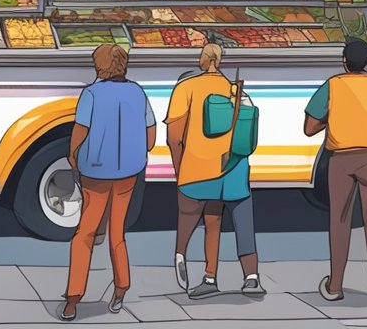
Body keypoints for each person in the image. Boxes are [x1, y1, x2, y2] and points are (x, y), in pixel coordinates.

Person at [61, 44, 155, 322]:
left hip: (96, 174)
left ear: (100, 66)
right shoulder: (138, 92)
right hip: (128, 173)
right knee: (117, 233)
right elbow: (150, 136)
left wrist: (73, 155)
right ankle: (121, 289)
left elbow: (80, 131)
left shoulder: (91, 94)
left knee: (85, 233)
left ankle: (73, 298)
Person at [168, 43, 264, 299]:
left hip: (200, 169)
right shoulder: (236, 90)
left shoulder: (185, 88)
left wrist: (180, 170)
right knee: (242, 221)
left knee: (209, 221)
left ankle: (203, 271)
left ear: (201, 60)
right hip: (234, 167)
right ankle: (251, 278)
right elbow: (247, 132)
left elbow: (174, 138)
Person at [305, 39, 367, 301]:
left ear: (344, 61)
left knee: (339, 221)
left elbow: (309, 127)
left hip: (340, 157)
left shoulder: (333, 84)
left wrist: (330, 123)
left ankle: (335, 286)